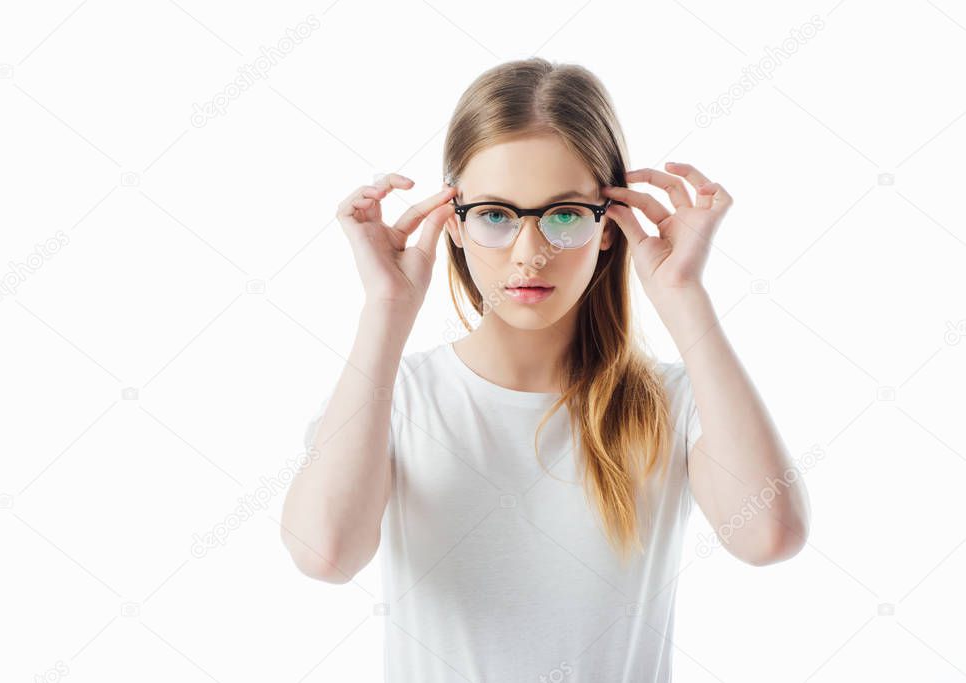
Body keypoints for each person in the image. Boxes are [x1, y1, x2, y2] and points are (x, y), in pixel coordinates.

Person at [282, 57, 810, 682]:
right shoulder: (391, 399)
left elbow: (770, 538)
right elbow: (325, 555)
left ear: (608, 226)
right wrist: (386, 312)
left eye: (563, 215)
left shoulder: (676, 401)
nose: (529, 254)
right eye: (496, 215)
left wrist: (685, 296)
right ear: (453, 224)